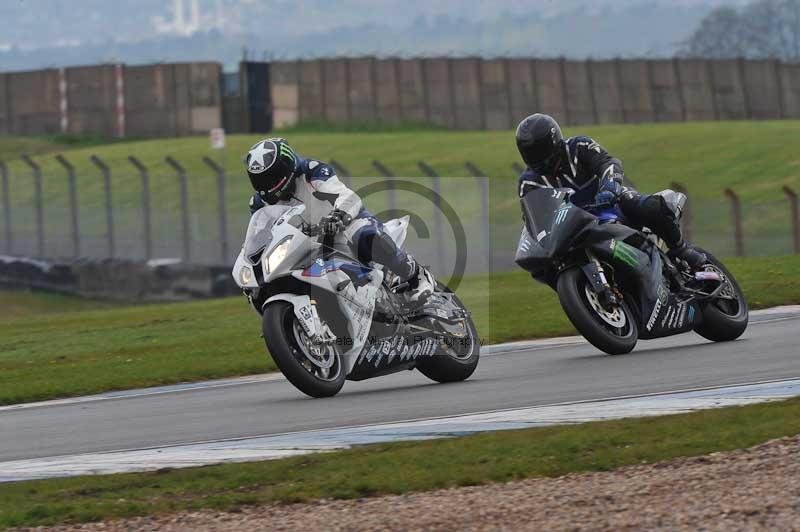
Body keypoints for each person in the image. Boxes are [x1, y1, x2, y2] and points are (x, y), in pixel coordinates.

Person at [245, 137, 435, 302]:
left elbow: (345, 196)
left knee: (367, 236)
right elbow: (259, 237)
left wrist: (338, 215)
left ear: (286, 166)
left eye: (272, 176)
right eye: (260, 180)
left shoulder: (311, 171)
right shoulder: (259, 203)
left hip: (341, 229)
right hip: (303, 249)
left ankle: (416, 276)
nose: (267, 185)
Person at [515, 113, 707, 269]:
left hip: (610, 202)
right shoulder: (528, 183)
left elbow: (608, 163)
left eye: (540, 150)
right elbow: (534, 218)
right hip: (574, 230)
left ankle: (681, 249)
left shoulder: (579, 147)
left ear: (554, 141)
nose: (537, 157)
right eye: (530, 153)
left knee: (649, 207)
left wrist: (609, 186)